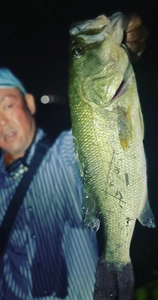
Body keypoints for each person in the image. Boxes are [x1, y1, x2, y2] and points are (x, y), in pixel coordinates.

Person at [0, 14, 148, 300]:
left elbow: (102, 142)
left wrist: (125, 39)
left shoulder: (67, 152)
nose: (2, 121)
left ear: (29, 103)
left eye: (7, 105)